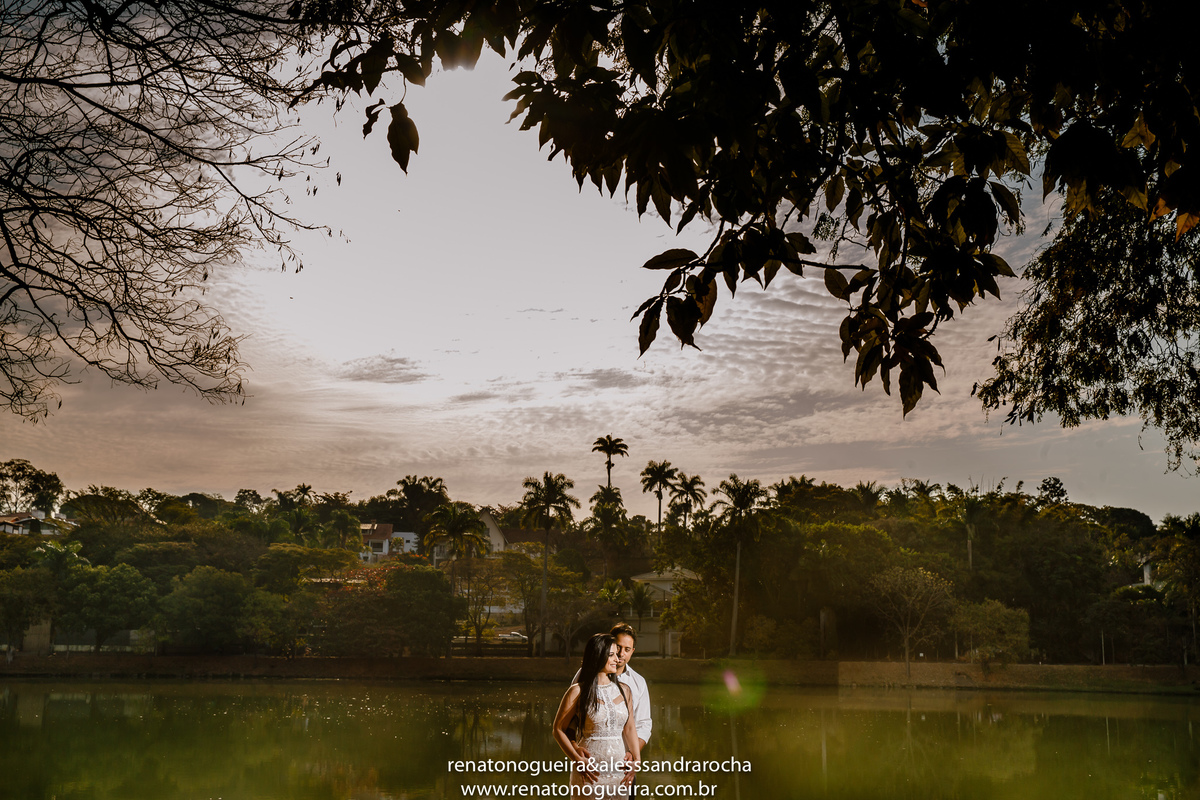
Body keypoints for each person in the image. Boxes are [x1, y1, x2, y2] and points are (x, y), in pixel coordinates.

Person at [553, 633, 641, 797]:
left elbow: (630, 728)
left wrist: (637, 760)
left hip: (619, 772)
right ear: (598, 655)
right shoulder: (577, 691)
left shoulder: (624, 690)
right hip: (589, 771)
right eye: (611, 655)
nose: (617, 659)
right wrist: (576, 759)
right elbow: (558, 729)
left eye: (616, 655)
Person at [571, 623, 652, 758]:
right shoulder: (584, 675)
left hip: (623, 761)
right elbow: (570, 720)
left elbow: (643, 725)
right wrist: (575, 750)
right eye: (618, 647)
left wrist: (633, 755)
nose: (621, 654)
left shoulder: (638, 683)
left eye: (627, 649)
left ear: (632, 651)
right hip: (588, 759)